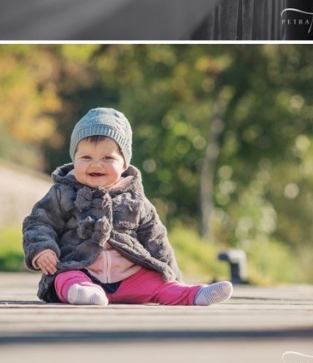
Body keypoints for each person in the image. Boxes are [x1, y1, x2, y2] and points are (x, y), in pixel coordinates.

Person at [22, 108, 233, 306]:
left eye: (108, 158)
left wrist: (172, 274)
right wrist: (42, 249)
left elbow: (156, 238)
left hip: (130, 277)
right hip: (80, 267)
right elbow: (39, 222)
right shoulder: (62, 193)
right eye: (86, 157)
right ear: (74, 159)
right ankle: (84, 293)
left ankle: (191, 294)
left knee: (159, 284)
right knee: (64, 277)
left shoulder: (135, 199)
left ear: (124, 164)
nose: (96, 164)